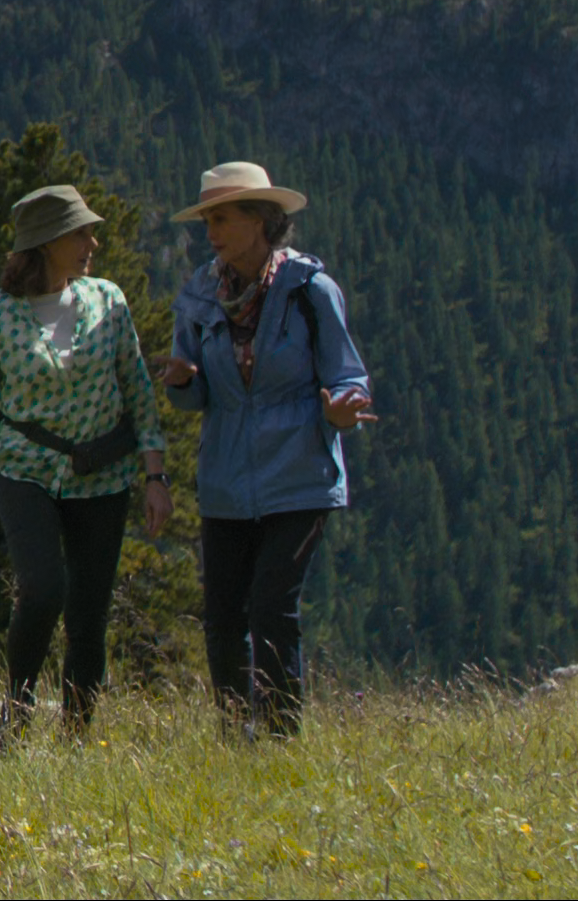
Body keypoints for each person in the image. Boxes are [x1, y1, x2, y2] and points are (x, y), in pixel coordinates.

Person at [0, 184, 172, 748]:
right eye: (81, 232)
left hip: (103, 474)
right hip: (23, 467)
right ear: (48, 242)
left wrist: (156, 476)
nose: (93, 242)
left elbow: (137, 390)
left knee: (89, 610)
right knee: (42, 587)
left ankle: (78, 737)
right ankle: (16, 713)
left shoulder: (108, 301)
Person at [151, 161, 380, 739]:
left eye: (222, 218)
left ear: (260, 220)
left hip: (299, 475)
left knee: (272, 606)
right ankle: (236, 736)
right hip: (227, 480)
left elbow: (348, 375)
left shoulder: (309, 291)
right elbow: (195, 395)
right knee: (225, 616)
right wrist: (182, 382)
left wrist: (341, 408)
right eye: (208, 220)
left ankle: (278, 735)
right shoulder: (200, 295)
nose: (212, 233)